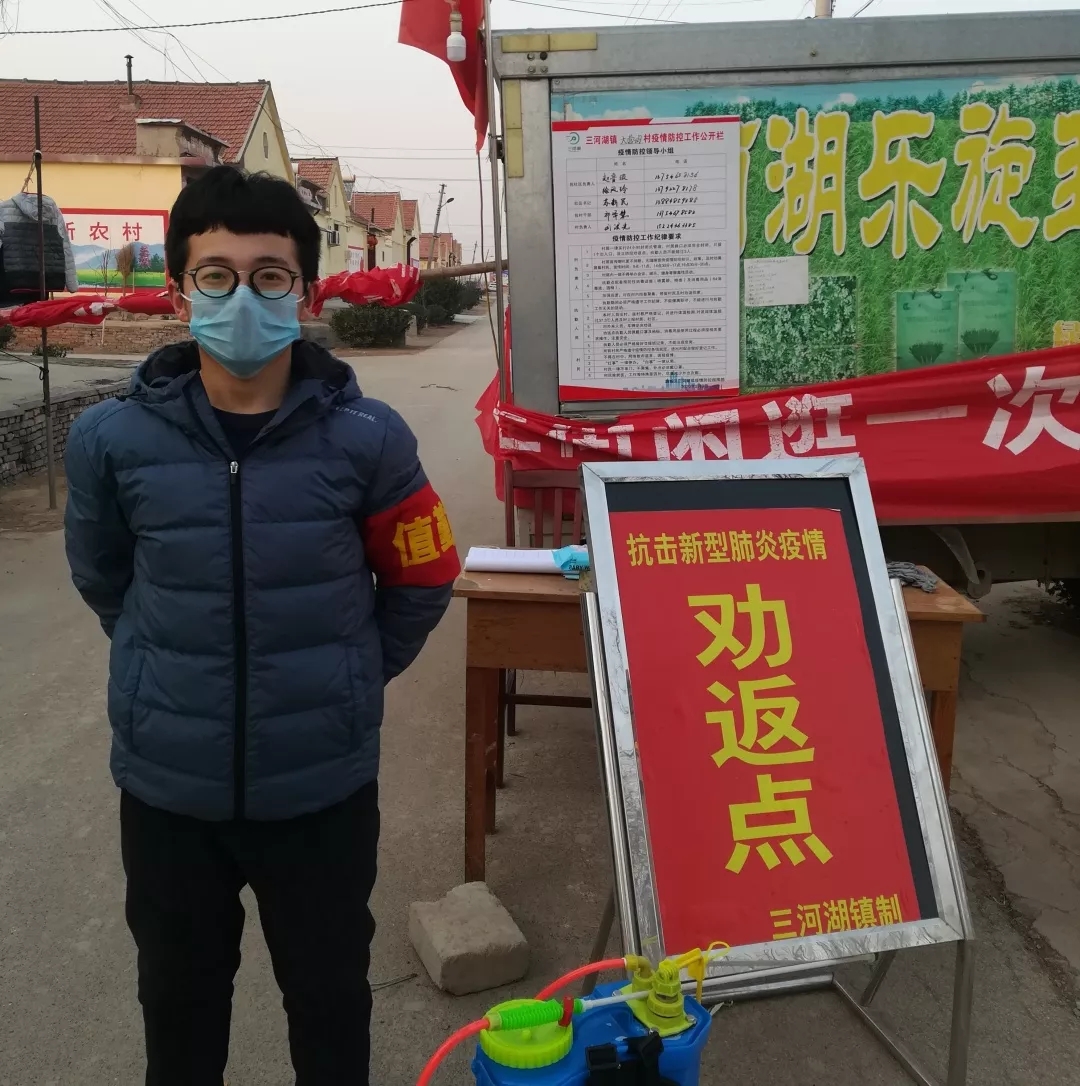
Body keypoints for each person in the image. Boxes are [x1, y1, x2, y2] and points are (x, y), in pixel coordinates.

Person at [63, 165, 459, 1086]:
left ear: (305, 292)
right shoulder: (111, 440)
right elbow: (104, 578)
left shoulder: (369, 437)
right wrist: (169, 671)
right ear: (179, 290)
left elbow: (423, 576)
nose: (242, 297)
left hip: (320, 790)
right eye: (217, 275)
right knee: (178, 1004)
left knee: (329, 1002)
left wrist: (351, 673)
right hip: (170, 792)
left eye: (269, 275)